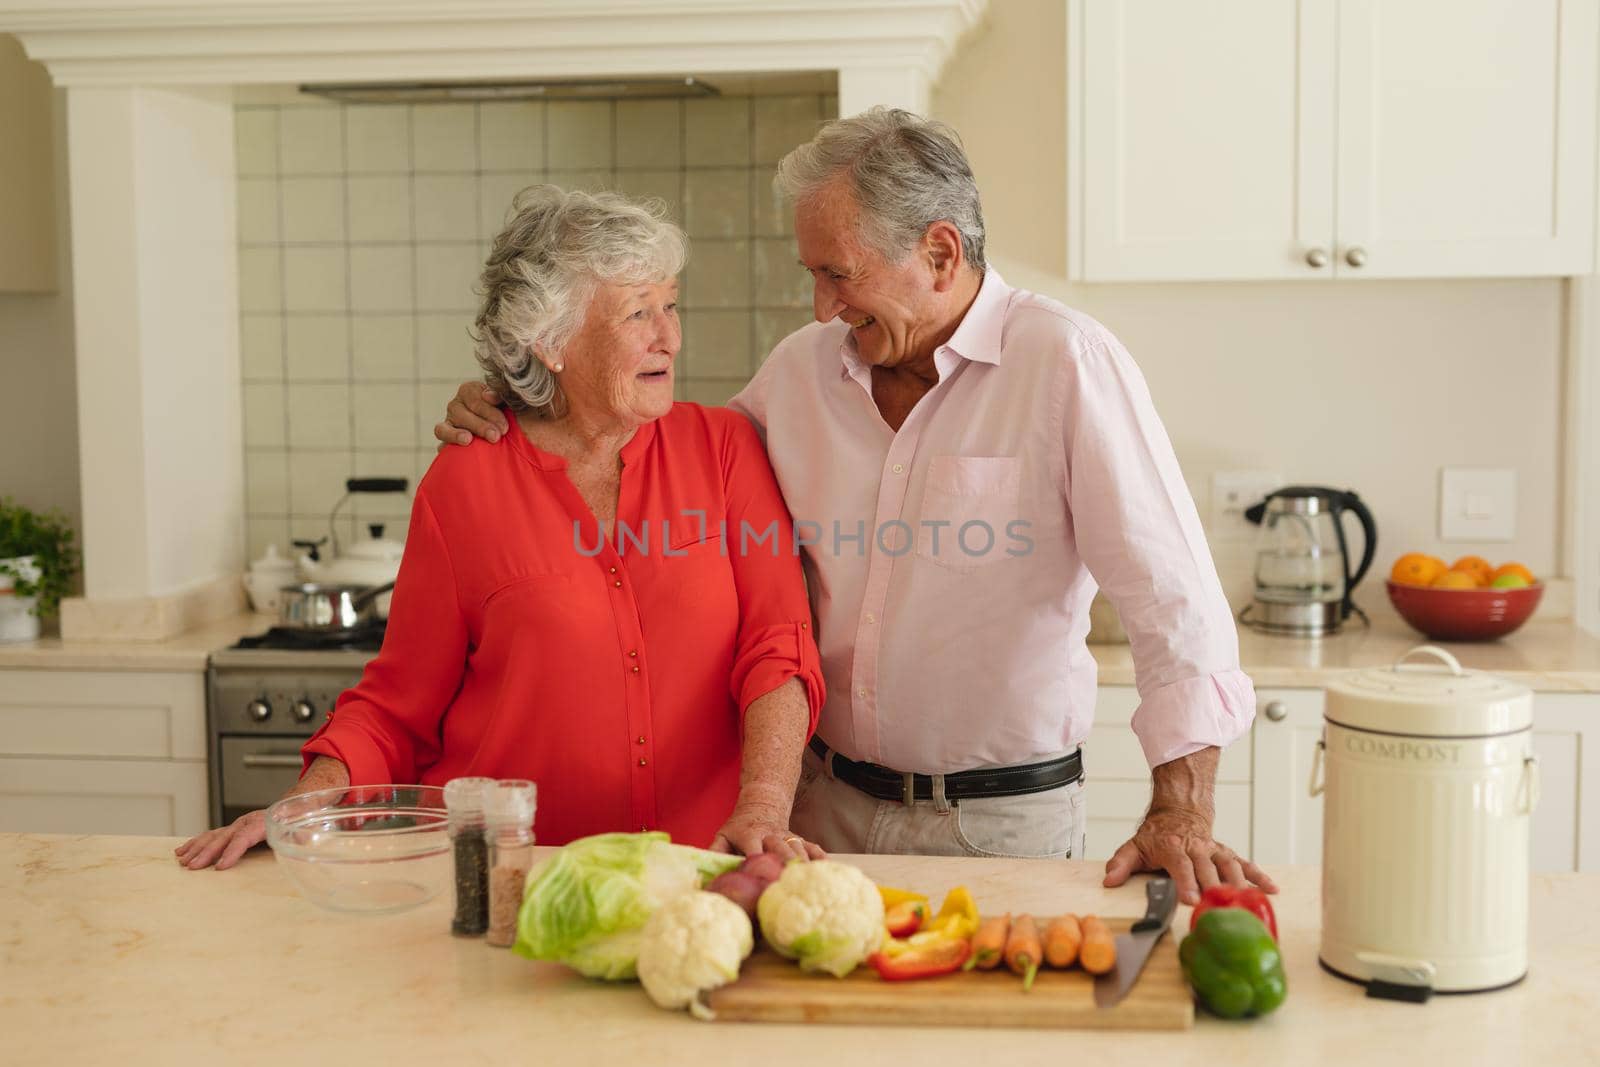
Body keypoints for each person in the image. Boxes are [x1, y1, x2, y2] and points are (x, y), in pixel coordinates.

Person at [434, 111, 1274, 905]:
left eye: (839, 274)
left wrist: (1182, 808)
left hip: (997, 822)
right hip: (820, 811)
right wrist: (523, 401)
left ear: (940, 253)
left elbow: (1175, 601)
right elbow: (652, 443)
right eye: (813, 275)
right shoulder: (802, 370)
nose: (821, 305)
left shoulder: (1065, 363)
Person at [178, 187, 825, 872]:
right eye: (639, 313)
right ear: (551, 343)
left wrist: (761, 803)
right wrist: (304, 805)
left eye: (669, 304)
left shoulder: (721, 449)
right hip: (510, 878)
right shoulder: (465, 483)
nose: (671, 335)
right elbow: (398, 704)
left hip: (698, 873)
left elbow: (776, 647)